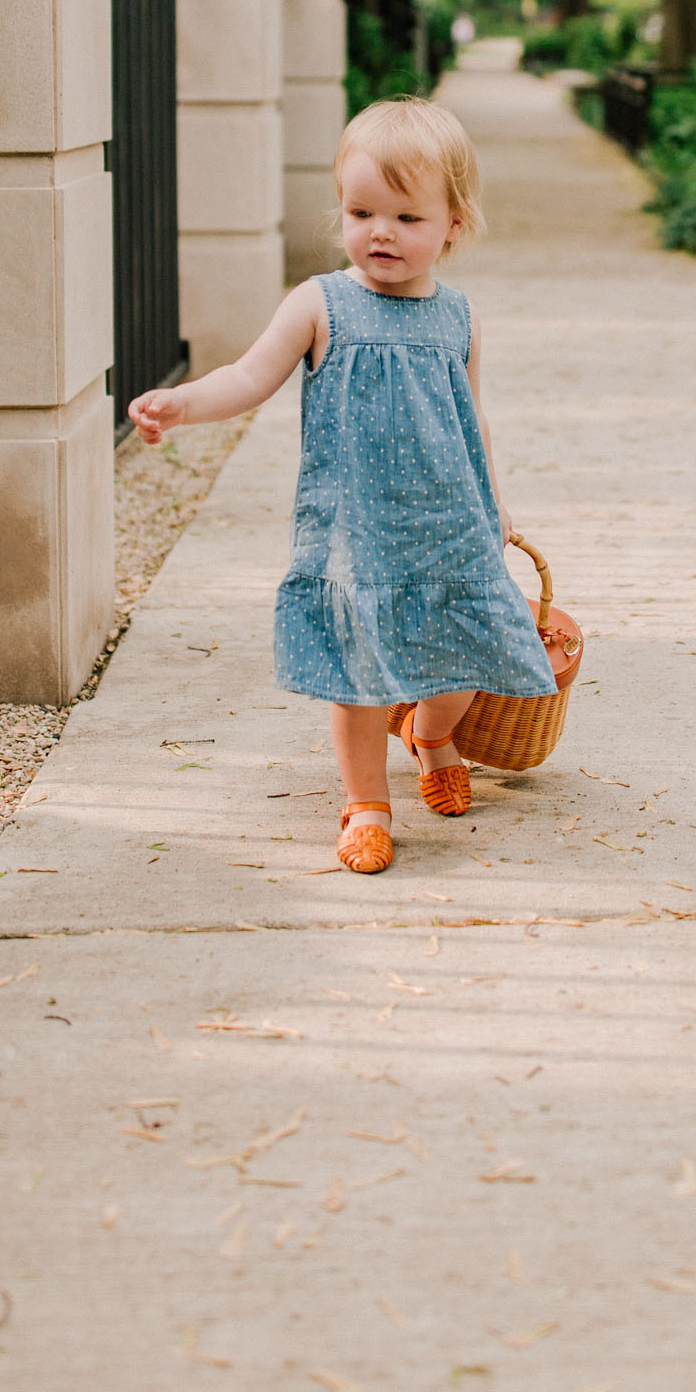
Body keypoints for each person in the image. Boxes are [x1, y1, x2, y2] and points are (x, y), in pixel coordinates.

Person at [128, 99, 563, 873]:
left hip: (449, 524)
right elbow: (249, 377)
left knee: (464, 657)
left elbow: (476, 419)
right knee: (360, 673)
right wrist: (182, 404)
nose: (381, 232)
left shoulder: (457, 317)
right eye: (362, 211)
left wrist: (494, 501)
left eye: (406, 215)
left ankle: (431, 733)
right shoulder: (321, 304)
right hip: (357, 532)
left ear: (454, 225)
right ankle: (366, 802)